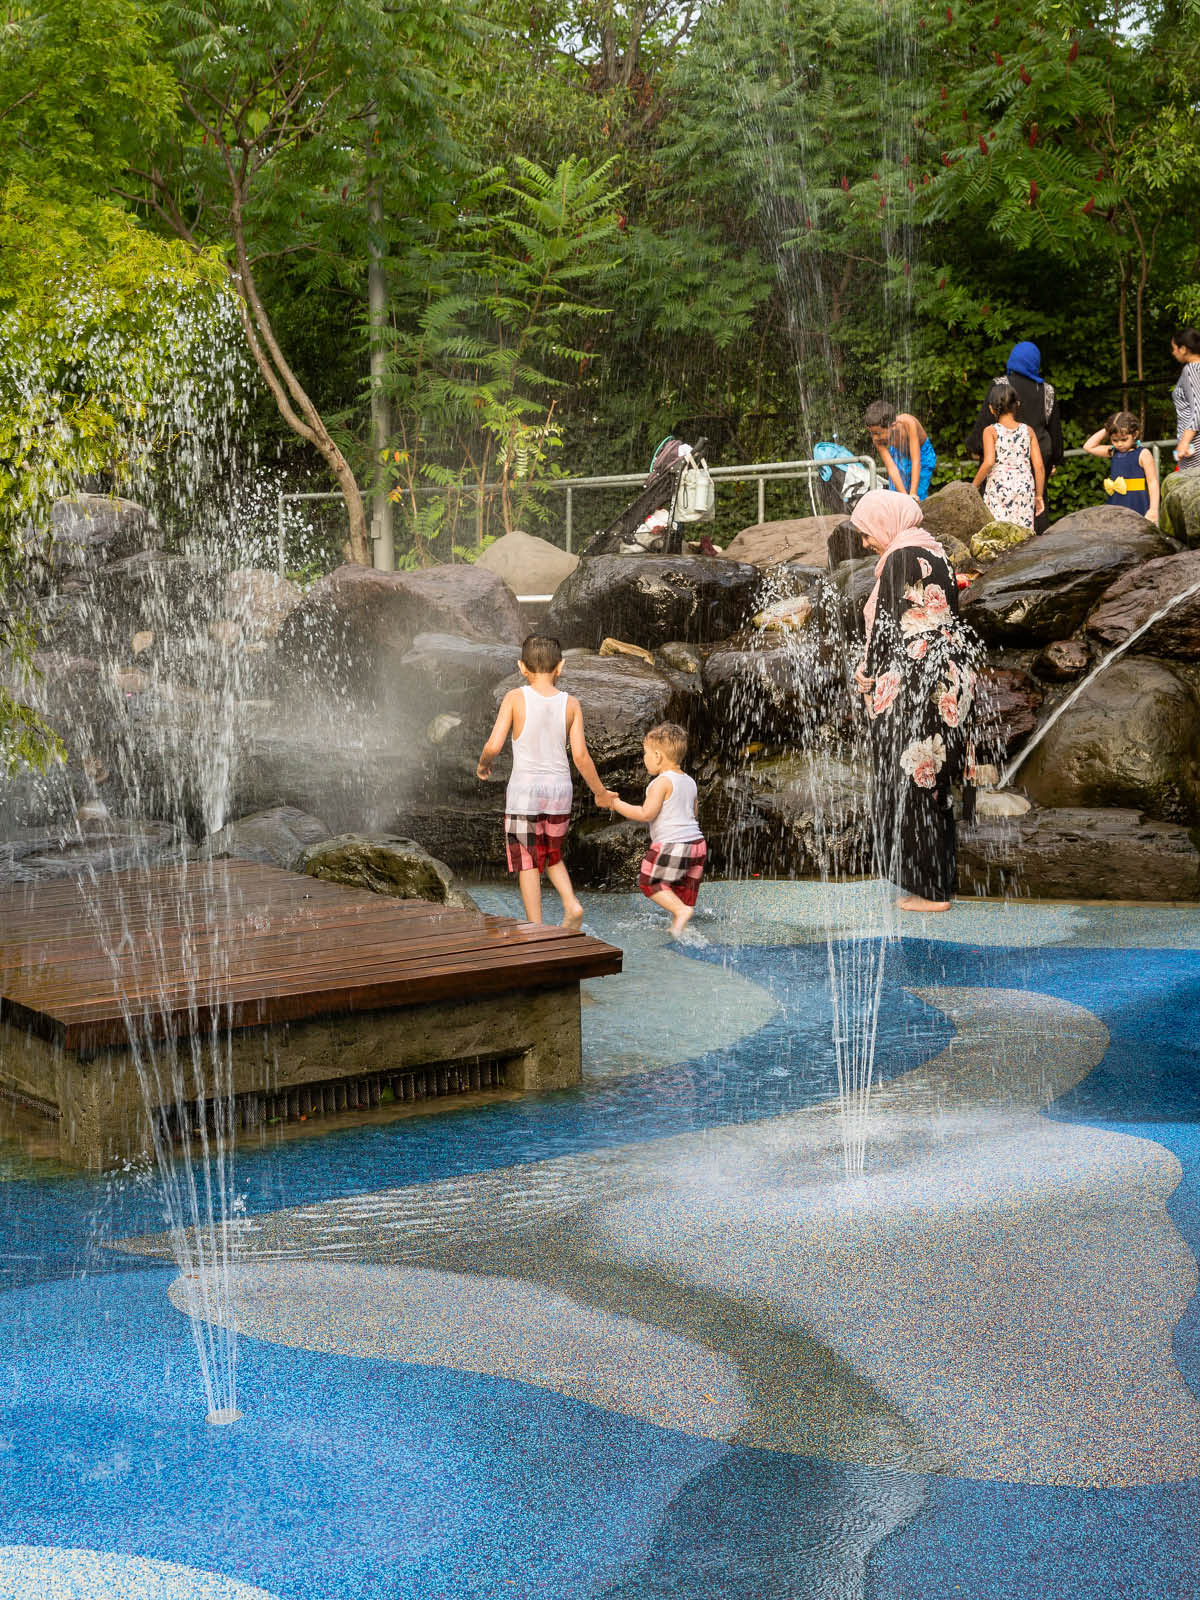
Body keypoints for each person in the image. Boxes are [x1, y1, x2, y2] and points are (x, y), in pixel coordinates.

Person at [848, 490, 981, 914]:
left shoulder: (900, 558)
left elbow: (888, 627)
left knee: (910, 778)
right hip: (947, 679)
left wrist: (867, 675)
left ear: (886, 521)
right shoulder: (937, 554)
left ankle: (930, 890)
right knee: (933, 782)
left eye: (868, 532)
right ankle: (937, 882)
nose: (867, 541)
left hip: (915, 685)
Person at [477, 634, 611, 928]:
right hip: (559, 790)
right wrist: (600, 792)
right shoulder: (571, 704)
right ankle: (571, 904)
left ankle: (535, 929)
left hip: (525, 792)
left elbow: (493, 745)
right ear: (560, 667)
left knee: (527, 862)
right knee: (552, 854)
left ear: (521, 667)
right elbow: (581, 757)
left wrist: (484, 765)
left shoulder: (515, 697)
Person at [603, 722, 706, 937]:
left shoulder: (661, 782)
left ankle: (680, 911)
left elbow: (645, 814)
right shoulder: (689, 781)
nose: (644, 759)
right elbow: (693, 814)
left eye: (645, 753)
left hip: (672, 844)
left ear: (658, 756)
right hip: (697, 845)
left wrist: (616, 804)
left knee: (650, 882)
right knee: (680, 887)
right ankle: (680, 926)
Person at [966, 341, 1063, 530]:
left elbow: (985, 421)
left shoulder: (1000, 385)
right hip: (1034, 461)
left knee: (996, 522)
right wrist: (1056, 460)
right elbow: (1055, 430)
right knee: (1035, 512)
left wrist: (974, 447)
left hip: (999, 464)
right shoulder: (1048, 391)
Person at [971, 381, 1045, 530]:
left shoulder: (990, 431)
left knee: (998, 534)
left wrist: (973, 486)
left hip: (999, 488)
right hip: (1024, 486)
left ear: (991, 409)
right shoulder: (1028, 431)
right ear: (1016, 405)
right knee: (1023, 534)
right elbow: (1039, 466)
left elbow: (989, 462)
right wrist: (1039, 496)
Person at [1082, 411, 1160, 522]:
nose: (1119, 444)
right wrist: (1108, 428)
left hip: (1136, 502)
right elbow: (1088, 446)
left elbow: (1152, 482)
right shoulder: (1113, 452)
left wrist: (1153, 509)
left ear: (1135, 435)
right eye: (1114, 440)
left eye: (1124, 439)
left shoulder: (1143, 453)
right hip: (1116, 501)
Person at [864, 402, 938, 500]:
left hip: (922, 454)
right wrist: (904, 497)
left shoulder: (908, 423)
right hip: (898, 453)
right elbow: (891, 468)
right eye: (872, 433)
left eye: (878, 433)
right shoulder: (877, 439)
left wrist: (913, 493)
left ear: (892, 425)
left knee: (919, 494)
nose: (875, 437)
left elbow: (916, 460)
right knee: (897, 496)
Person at [1170, 329, 1200, 474]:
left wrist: (1184, 442)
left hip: (1194, 449)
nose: (1173, 353)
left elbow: (1198, 409)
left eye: (1174, 348)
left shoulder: (1192, 370)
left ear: (1183, 349)